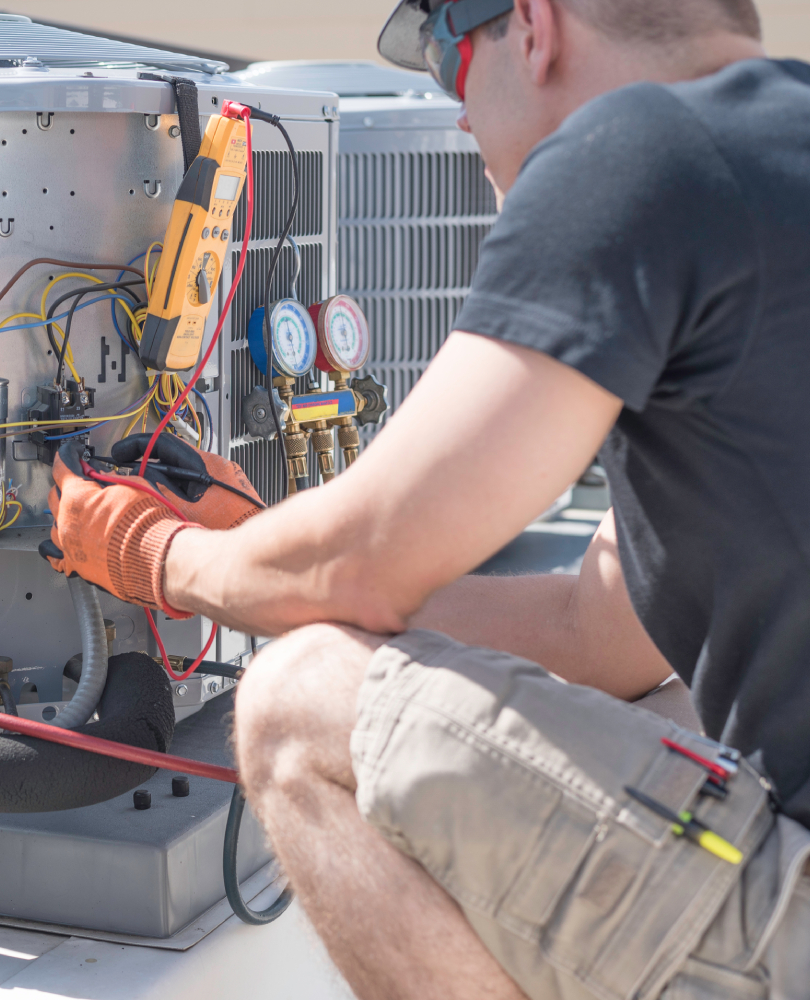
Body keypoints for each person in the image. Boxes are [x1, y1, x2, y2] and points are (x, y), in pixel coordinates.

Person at [40, 0, 810, 996]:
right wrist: (267, 544)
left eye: (447, 58)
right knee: (667, 697)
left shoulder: (637, 151)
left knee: (296, 703)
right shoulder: (776, 150)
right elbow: (598, 633)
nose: (457, 111)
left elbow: (361, 563)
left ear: (533, 27)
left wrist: (157, 555)